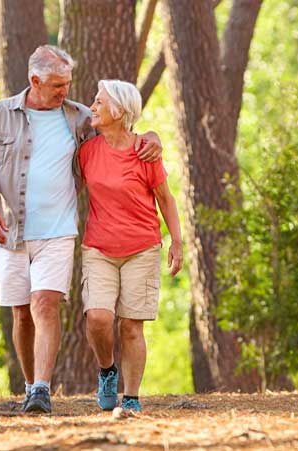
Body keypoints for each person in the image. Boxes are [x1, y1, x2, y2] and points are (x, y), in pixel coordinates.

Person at [0, 46, 162, 414]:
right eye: (57, 85)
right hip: (9, 232)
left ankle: (41, 389)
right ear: (34, 80)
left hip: (57, 232)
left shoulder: (79, 118)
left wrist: (152, 135)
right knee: (21, 312)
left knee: (45, 303)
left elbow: (122, 132)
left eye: (68, 83)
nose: (65, 92)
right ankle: (29, 386)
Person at [78, 79, 183, 417]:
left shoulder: (145, 152)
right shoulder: (87, 152)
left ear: (119, 111)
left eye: (99, 102)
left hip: (142, 248)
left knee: (131, 326)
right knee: (98, 317)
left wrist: (177, 241)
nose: (92, 107)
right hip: (99, 249)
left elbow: (165, 199)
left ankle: (132, 397)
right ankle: (107, 371)